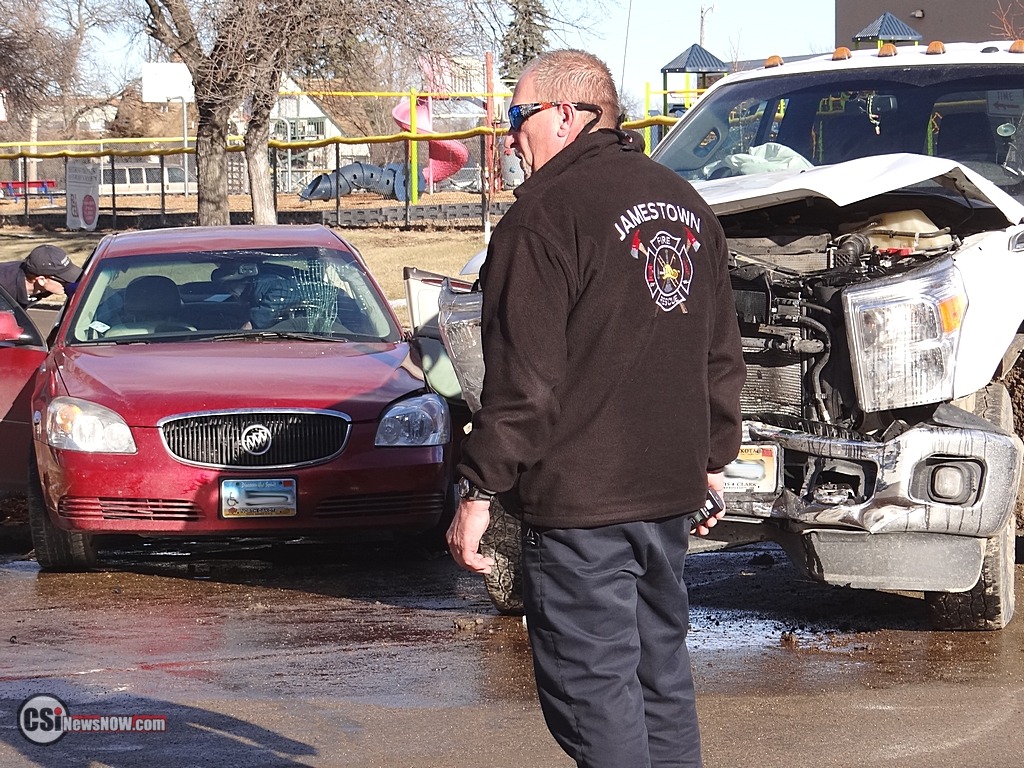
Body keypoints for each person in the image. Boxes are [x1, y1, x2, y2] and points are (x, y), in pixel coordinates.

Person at [446, 49, 745, 768]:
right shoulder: (687, 204)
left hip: (584, 506)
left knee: (594, 698)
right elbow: (720, 355)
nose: (509, 138)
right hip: (666, 495)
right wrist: (710, 458)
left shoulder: (542, 220)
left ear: (564, 115)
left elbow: (525, 388)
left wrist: (478, 490)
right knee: (660, 681)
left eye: (516, 119)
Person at [0, 244, 81, 308]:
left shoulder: (43, 285)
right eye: (64, 281)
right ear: (41, 280)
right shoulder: (5, 289)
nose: (69, 283)